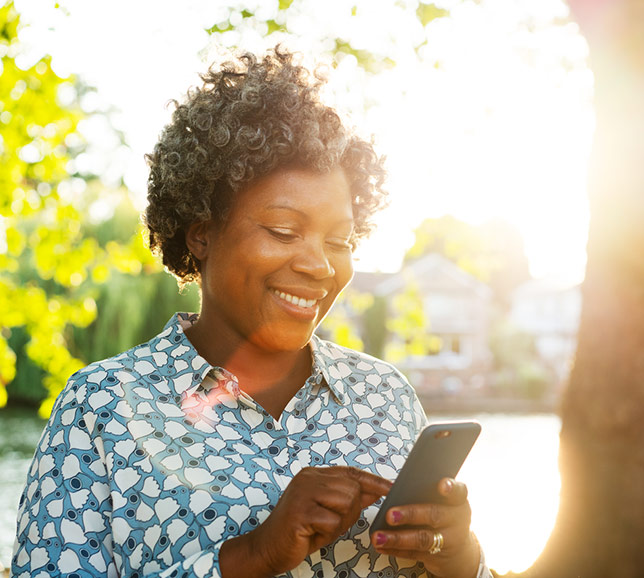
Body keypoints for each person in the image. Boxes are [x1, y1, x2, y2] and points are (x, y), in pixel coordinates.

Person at [12, 47, 492, 578]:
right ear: (201, 233)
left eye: (340, 240)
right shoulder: (103, 409)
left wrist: (460, 554)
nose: (319, 265)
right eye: (284, 232)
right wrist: (253, 555)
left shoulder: (386, 397)